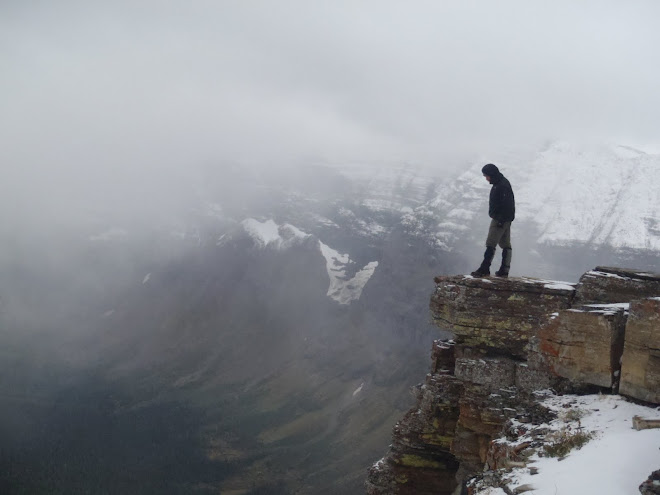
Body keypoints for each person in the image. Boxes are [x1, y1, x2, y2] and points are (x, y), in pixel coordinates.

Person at [471, 163, 515, 278]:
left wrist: (500, 219)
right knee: (505, 244)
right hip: (505, 219)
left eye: (486, 176)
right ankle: (504, 270)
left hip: (500, 219)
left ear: (491, 174)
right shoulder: (502, 183)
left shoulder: (501, 185)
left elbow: (506, 204)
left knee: (491, 243)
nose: (486, 178)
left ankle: (484, 268)